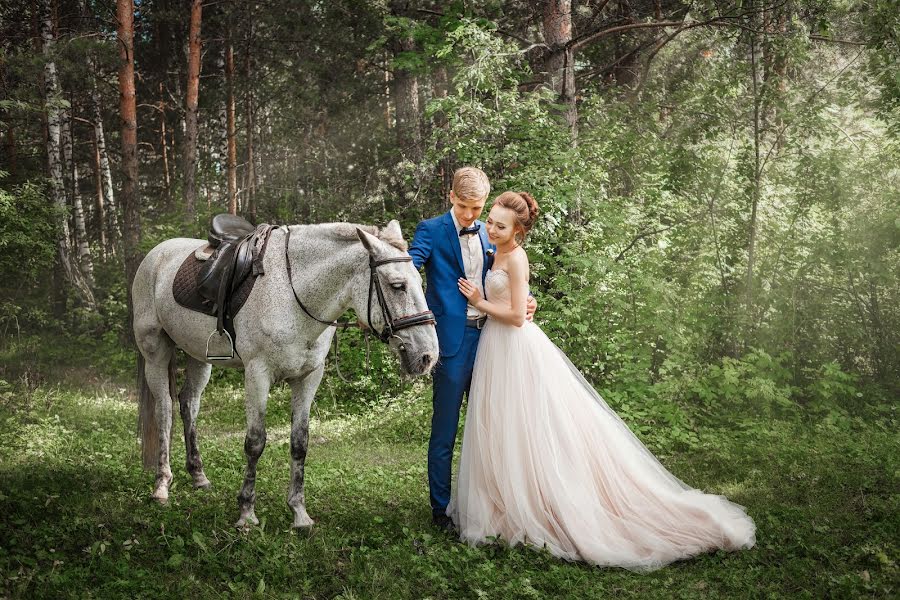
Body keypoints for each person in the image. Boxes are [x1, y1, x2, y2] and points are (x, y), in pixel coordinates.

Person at [450, 191, 756, 571]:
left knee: (530, 424)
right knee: (503, 425)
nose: (491, 229)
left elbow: (515, 316)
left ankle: (542, 502)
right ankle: (504, 501)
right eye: (491, 221)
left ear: (520, 230)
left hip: (513, 345)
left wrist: (481, 302)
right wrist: (522, 299)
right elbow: (520, 300)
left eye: (500, 225)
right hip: (495, 347)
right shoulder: (493, 248)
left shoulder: (517, 257)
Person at [407, 168, 536, 532]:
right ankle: (441, 510)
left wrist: (528, 300)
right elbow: (407, 268)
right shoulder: (430, 230)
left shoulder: (491, 230)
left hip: (493, 342)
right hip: (451, 345)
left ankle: (490, 504)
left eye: (476, 208)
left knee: (491, 428)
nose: (469, 216)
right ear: (451, 197)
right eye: (463, 206)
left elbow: (509, 275)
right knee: (444, 431)